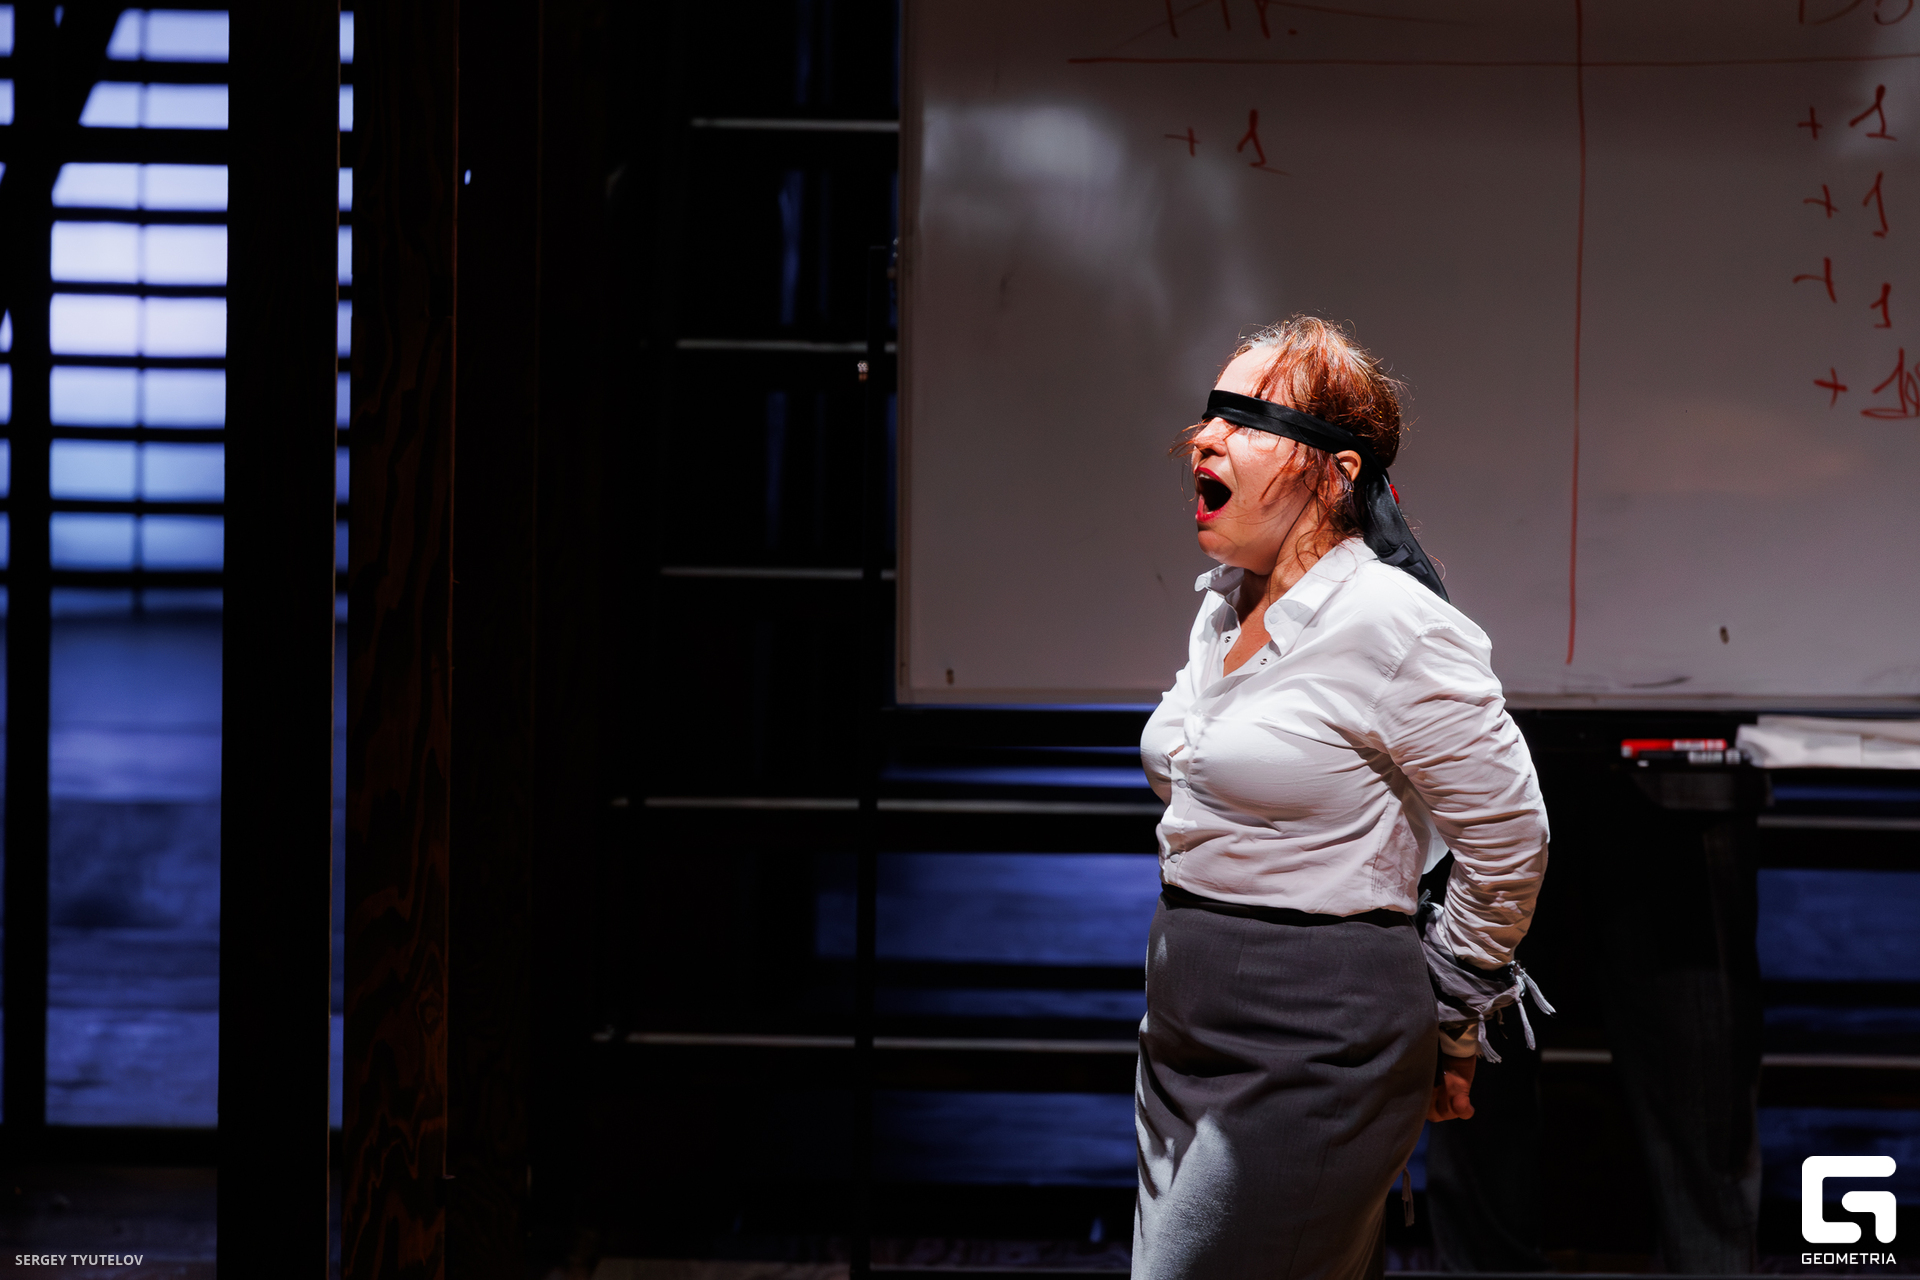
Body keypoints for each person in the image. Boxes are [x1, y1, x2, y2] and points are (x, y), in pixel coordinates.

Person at [1133, 316, 1551, 1280]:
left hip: (1317, 1035)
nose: (1204, 439)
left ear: (1337, 471)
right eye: (1209, 415)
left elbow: (1509, 838)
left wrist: (1453, 1004)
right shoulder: (1225, 603)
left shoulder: (1393, 626)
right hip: (1182, 1025)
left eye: (1245, 419)